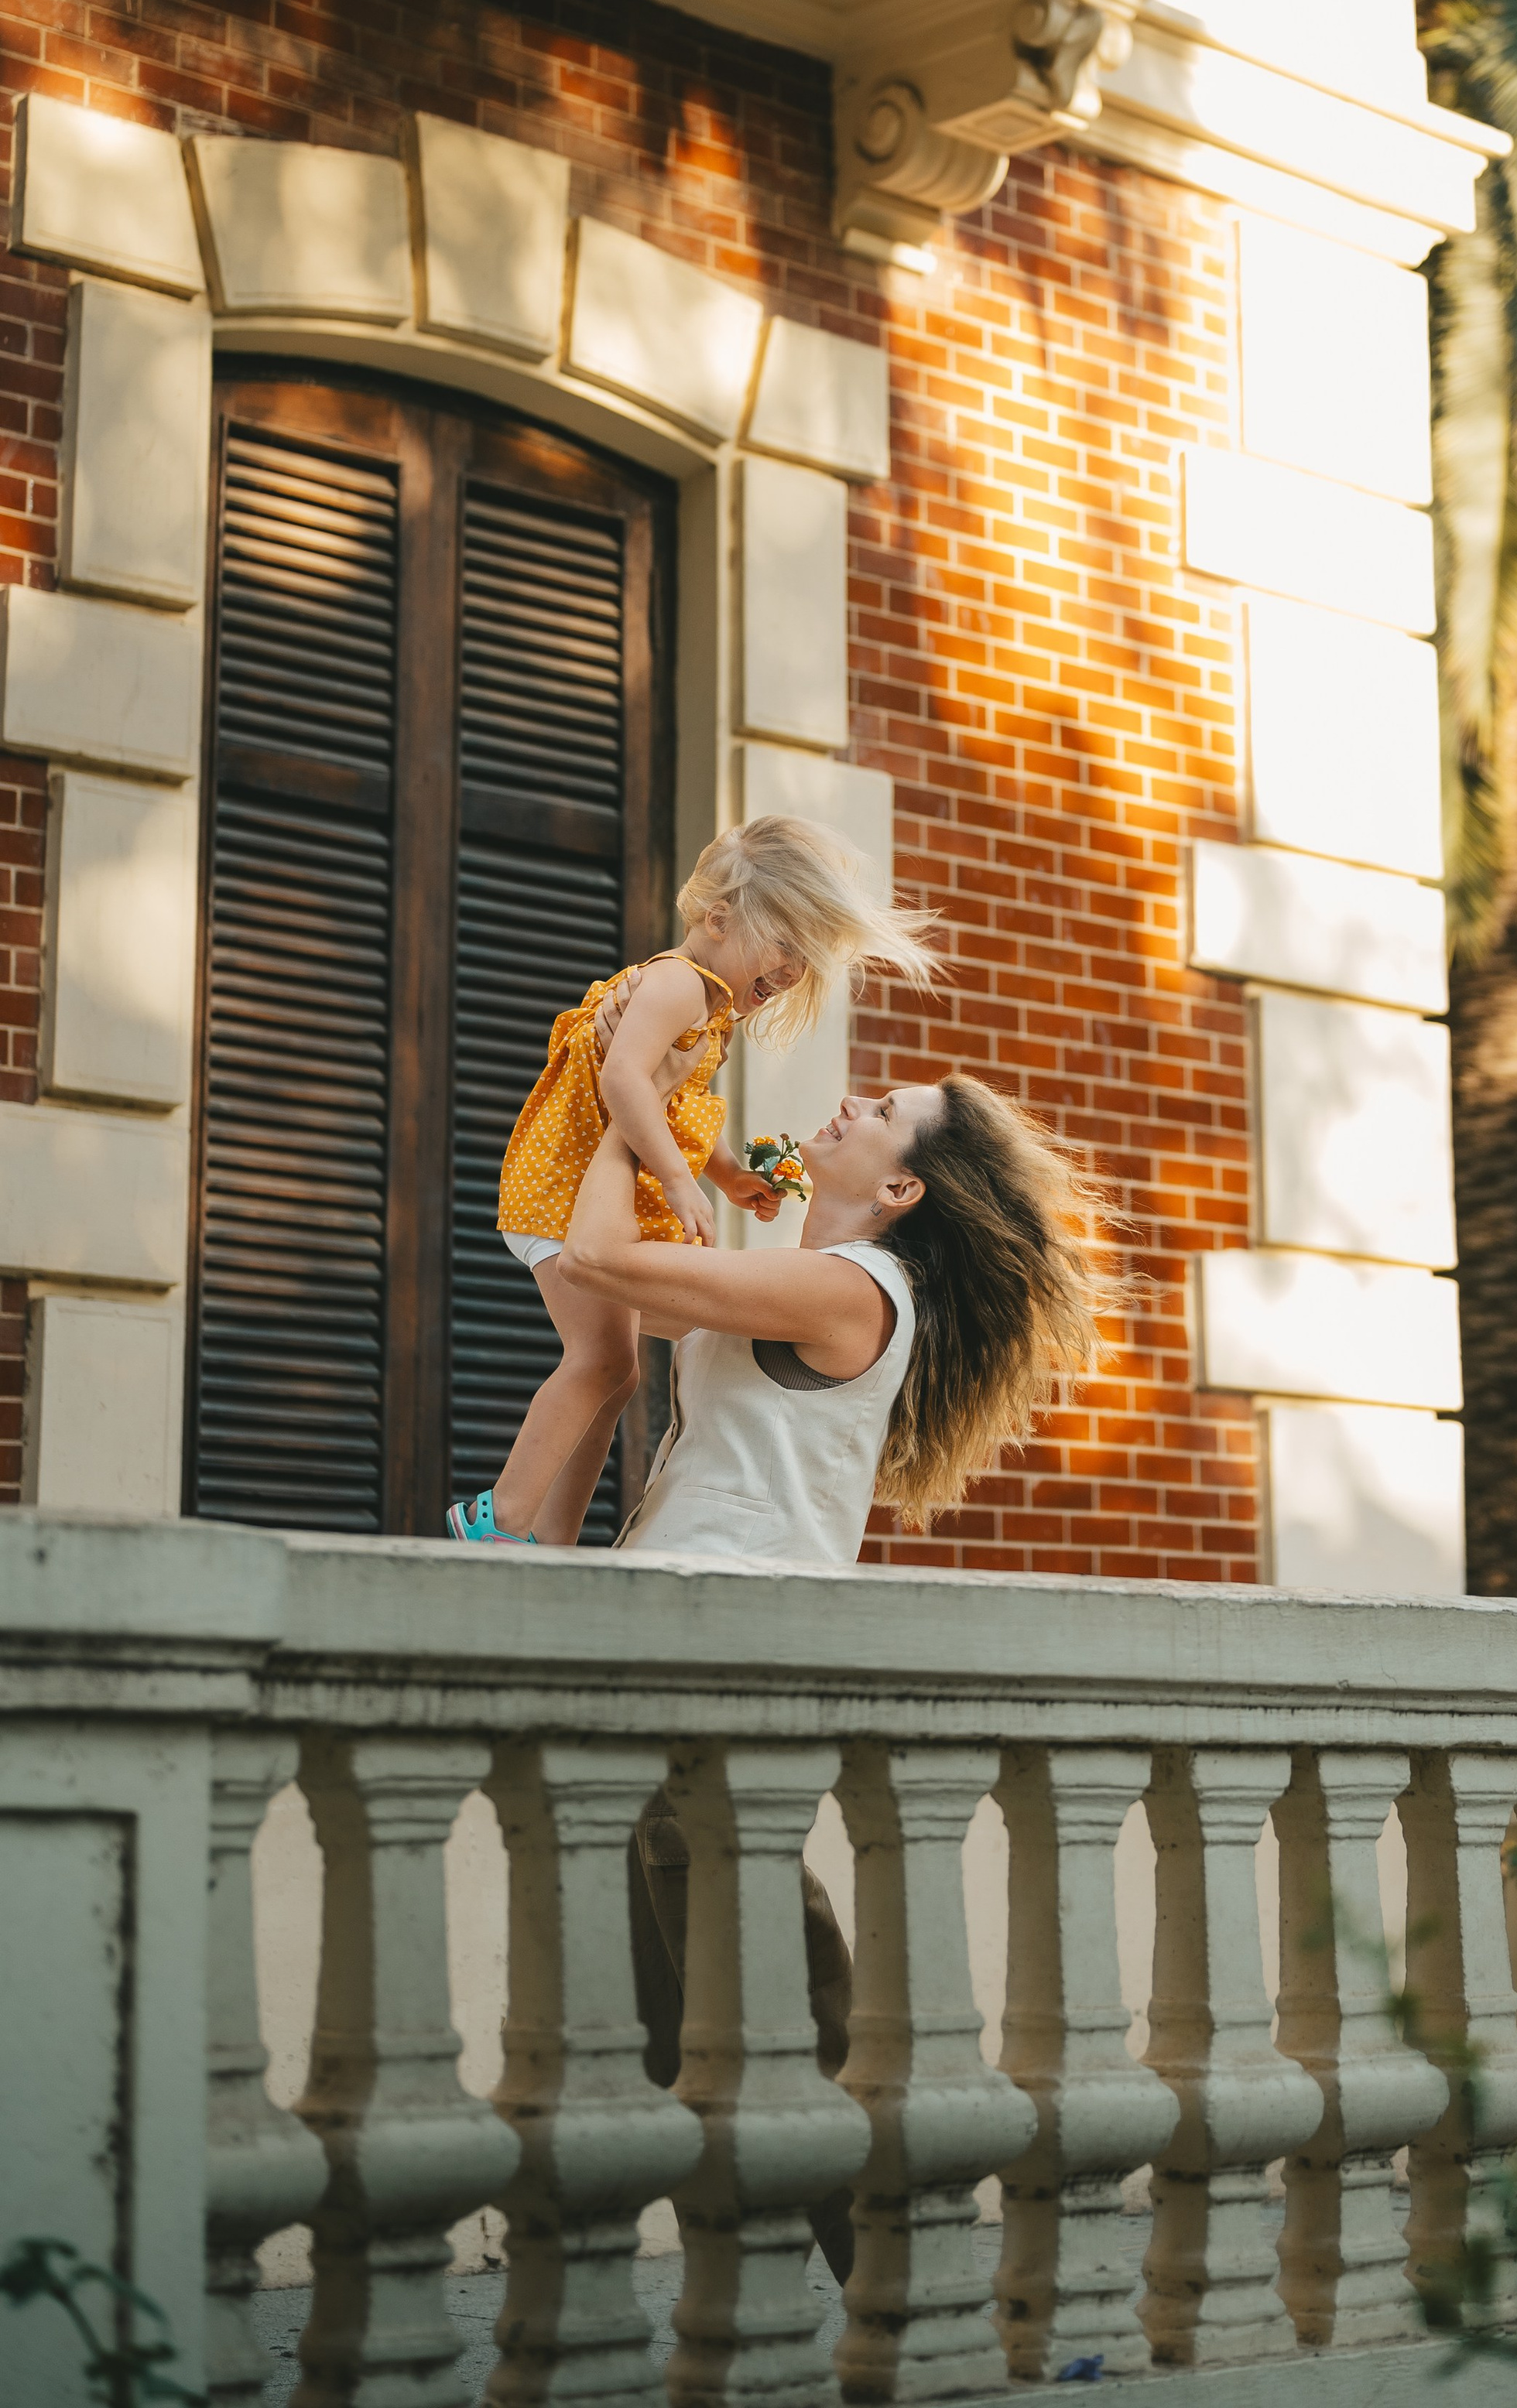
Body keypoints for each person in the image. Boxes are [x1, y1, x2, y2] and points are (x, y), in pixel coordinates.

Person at [556, 1065, 1110, 2282]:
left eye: (883, 1111)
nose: (852, 1101)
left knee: (767, 1981)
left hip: (726, 1646)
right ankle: (848, 2270)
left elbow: (597, 1256)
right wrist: (676, 1150)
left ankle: (906, 2284)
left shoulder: (850, 1287)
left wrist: (625, 1093)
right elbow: (607, 1291)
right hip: (676, 1637)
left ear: (903, 1184)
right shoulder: (816, 1276)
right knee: (687, 2003)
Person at [447, 815, 934, 1545]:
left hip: (583, 1187)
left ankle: (548, 1539)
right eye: (785, 944)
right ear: (719, 918)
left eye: (805, 958)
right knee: (601, 1359)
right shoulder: (679, 984)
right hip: (562, 1190)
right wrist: (679, 1182)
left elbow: (670, 1101)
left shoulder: (709, 1010)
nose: (793, 972)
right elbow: (625, 1081)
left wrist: (731, 1176)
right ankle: (502, 1519)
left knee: (616, 1375)